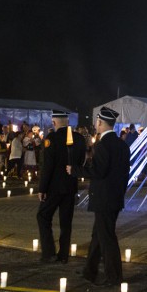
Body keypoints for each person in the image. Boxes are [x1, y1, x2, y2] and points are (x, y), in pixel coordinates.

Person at [69, 106, 130, 287]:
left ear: (100, 123)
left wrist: (75, 170)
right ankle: (90, 270)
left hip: (104, 198)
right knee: (98, 235)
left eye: (97, 121)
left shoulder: (103, 144)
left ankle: (114, 276)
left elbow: (98, 171)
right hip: (114, 197)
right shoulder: (121, 145)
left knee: (107, 238)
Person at [37, 111, 85, 264]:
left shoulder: (52, 138)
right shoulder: (78, 138)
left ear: (54, 122)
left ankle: (49, 252)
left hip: (54, 187)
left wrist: (42, 188)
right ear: (67, 121)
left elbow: (47, 166)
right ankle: (63, 254)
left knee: (43, 216)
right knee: (66, 222)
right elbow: (82, 161)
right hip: (70, 186)